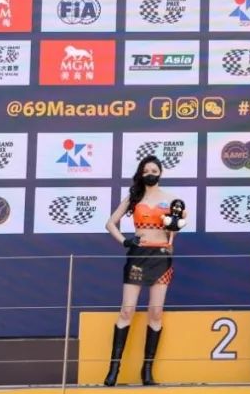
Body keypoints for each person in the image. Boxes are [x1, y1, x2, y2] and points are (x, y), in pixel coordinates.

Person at [102, 155, 185, 386]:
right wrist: (125, 241)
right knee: (127, 310)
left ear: (160, 173)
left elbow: (176, 227)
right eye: (146, 170)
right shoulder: (134, 197)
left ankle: (147, 372)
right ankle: (113, 371)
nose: (150, 174)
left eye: (154, 170)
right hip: (138, 256)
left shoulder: (171, 199)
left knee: (156, 313)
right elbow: (110, 223)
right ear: (141, 173)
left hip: (161, 257)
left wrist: (173, 232)